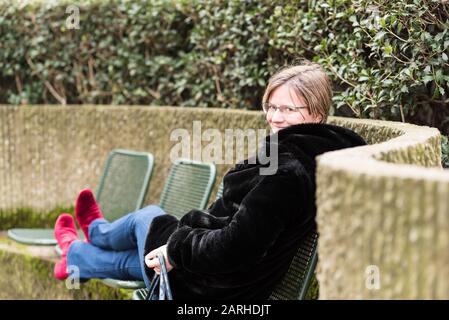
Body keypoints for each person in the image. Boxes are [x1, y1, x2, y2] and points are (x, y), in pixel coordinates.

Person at [53, 60, 366, 300]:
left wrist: (175, 251)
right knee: (137, 256)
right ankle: (77, 254)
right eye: (270, 106)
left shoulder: (286, 172)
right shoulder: (314, 152)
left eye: (287, 108)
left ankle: (95, 231)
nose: (274, 116)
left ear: (316, 114)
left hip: (216, 286)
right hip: (231, 280)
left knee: (146, 219)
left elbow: (237, 246)